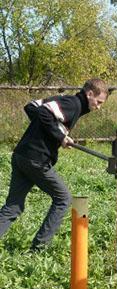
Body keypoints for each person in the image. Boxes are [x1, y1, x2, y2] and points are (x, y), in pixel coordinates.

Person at [0, 79, 109, 251]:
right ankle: (39, 247)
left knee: (13, 206)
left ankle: (37, 246)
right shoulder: (73, 104)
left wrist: (51, 131)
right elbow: (43, 112)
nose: (98, 107)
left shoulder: (66, 101)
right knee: (63, 199)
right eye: (98, 102)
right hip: (36, 159)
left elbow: (31, 106)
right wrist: (59, 135)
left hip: (22, 155)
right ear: (89, 94)